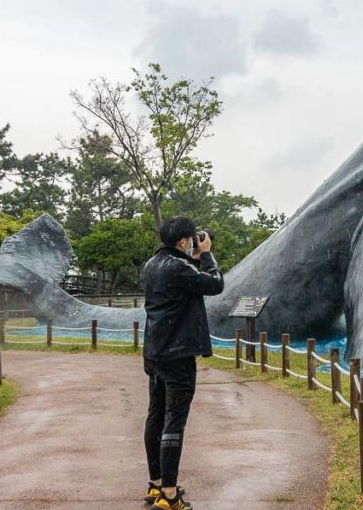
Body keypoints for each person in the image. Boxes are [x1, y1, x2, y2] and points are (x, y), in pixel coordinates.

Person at [142, 217, 224, 510]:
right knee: (174, 421)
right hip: (177, 356)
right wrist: (208, 255)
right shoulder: (179, 267)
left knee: (156, 416)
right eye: (192, 239)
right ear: (182, 242)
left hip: (154, 352)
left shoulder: (152, 264)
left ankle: (155, 484)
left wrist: (195, 256)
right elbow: (215, 284)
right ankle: (169, 494)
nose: (195, 242)